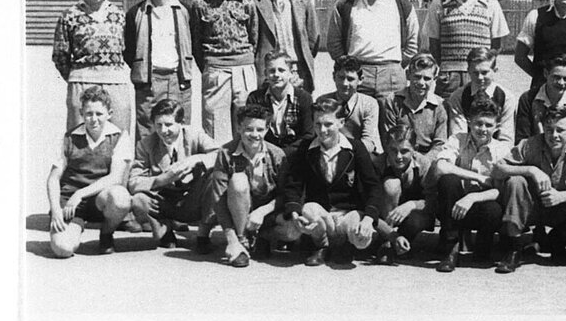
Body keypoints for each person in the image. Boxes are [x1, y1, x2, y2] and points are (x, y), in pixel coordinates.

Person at [492, 105, 566, 273]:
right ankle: (514, 249)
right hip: (529, 207)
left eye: (560, 130)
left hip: (558, 208)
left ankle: (557, 241)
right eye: (549, 129)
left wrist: (561, 197)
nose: (554, 135)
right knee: (516, 181)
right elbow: (498, 169)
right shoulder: (529, 145)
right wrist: (531, 170)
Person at [277, 98, 383, 266]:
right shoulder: (306, 148)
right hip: (321, 218)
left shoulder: (355, 148)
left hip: (347, 214)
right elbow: (294, 184)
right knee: (308, 209)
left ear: (341, 123)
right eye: (318, 124)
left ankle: (346, 245)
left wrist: (369, 218)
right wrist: (295, 214)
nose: (322, 130)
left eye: (328, 124)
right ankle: (322, 246)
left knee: (361, 240)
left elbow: (373, 186)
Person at [46, 86, 133, 257]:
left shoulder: (119, 136)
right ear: (81, 113)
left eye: (99, 114)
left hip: (99, 200)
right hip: (71, 204)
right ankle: (75, 227)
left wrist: (80, 193)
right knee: (62, 249)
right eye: (89, 114)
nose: (94, 119)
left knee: (121, 198)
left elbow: (115, 177)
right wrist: (55, 209)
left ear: (110, 113)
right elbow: (53, 178)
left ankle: (106, 234)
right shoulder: (68, 138)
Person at [127, 99, 220, 250]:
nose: (163, 131)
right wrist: (160, 180)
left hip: (193, 200)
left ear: (181, 123)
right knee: (139, 199)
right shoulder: (145, 144)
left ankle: (203, 233)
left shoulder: (195, 135)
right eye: (159, 125)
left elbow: (220, 155)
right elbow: (133, 182)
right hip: (165, 202)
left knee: (214, 177)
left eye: (169, 125)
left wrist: (197, 159)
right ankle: (165, 231)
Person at [52, 0, 133, 135]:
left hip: (116, 82)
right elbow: (60, 55)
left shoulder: (120, 16)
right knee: (79, 137)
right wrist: (78, 75)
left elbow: (128, 49)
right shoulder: (69, 16)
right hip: (82, 81)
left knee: (119, 136)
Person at [433, 97, 511, 272]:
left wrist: (473, 197)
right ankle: (451, 248)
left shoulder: (503, 150)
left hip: (483, 207)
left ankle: (483, 247)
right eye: (478, 124)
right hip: (454, 207)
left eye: (489, 125)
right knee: (448, 181)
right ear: (469, 122)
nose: (483, 129)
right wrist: (477, 178)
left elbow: (501, 190)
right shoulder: (458, 139)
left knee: (494, 209)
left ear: (497, 126)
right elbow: (441, 166)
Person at [189, 0, 259, 144]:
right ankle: (216, 169)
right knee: (214, 123)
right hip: (216, 70)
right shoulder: (199, 4)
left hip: (244, 70)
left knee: (246, 121)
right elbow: (196, 41)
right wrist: (209, 65)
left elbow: (255, 37)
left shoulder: (247, 2)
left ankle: (243, 166)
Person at [327, 0, 419, 99]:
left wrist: (396, 66)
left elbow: (413, 41)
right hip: (357, 74)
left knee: (392, 121)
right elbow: (334, 43)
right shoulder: (346, 3)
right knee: (355, 120)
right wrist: (349, 68)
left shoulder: (401, 3)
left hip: (392, 75)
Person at [205, 104, 288, 267]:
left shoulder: (277, 154)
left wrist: (262, 212)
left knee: (292, 230)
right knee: (238, 181)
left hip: (265, 214)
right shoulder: (225, 153)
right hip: (238, 211)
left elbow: (285, 193)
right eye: (249, 129)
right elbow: (218, 199)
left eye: (260, 129)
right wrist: (231, 238)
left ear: (267, 129)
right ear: (239, 128)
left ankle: (262, 237)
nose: (254, 135)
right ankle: (242, 241)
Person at [423, 0, 510, 98]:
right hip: (450, 78)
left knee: (480, 117)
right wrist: (444, 71)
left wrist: (484, 69)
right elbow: (434, 45)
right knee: (449, 119)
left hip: (479, 76)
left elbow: (496, 45)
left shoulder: (491, 4)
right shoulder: (439, 4)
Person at [124, 0, 195, 141]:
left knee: (179, 127)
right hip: (150, 81)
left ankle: (179, 166)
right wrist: (142, 69)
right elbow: (129, 49)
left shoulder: (184, 9)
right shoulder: (136, 12)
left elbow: (194, 39)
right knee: (147, 130)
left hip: (177, 79)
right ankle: (146, 168)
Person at [252, 0, 320, 93]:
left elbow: (313, 41)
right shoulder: (255, 1)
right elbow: (253, 42)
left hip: (297, 74)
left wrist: (300, 68)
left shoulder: (304, 1)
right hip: (269, 75)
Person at [372, 124, 439, 265]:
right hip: (386, 217)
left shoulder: (425, 164)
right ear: (386, 148)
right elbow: (370, 205)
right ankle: (387, 244)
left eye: (404, 151)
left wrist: (411, 205)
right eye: (393, 150)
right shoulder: (377, 165)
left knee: (417, 220)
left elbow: (433, 201)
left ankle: (405, 241)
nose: (398, 157)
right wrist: (391, 234)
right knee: (391, 185)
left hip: (415, 214)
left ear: (414, 149)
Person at [245, 51, 314, 157]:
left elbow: (308, 135)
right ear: (265, 74)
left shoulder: (304, 98)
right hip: (265, 154)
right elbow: (251, 130)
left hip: (295, 155)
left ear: (291, 73)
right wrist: (272, 154)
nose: (276, 75)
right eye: (272, 71)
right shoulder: (255, 98)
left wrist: (283, 154)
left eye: (281, 70)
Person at [514, 54, 566, 149]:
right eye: (556, 77)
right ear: (546, 74)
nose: (561, 83)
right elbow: (521, 142)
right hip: (533, 156)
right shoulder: (528, 99)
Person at [379, 53, 449, 154]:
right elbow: (390, 139)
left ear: (434, 79)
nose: (421, 83)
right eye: (417, 77)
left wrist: (424, 162)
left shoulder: (440, 105)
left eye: (427, 78)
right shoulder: (393, 101)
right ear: (408, 75)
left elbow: (439, 144)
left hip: (428, 158)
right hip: (400, 155)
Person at [446, 47, 515, 143]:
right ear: (468, 71)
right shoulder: (458, 97)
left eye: (484, 72)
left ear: (495, 70)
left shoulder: (506, 97)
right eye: (475, 72)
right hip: (466, 149)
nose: (480, 78)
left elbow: (506, 139)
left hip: (496, 152)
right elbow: (458, 136)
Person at [319, 55, 383, 157]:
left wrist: (346, 153)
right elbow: (320, 135)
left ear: (360, 80)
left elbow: (368, 141)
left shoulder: (369, 103)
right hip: (330, 153)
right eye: (341, 77)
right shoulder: (324, 101)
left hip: (360, 154)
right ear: (333, 76)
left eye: (350, 79)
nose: (345, 83)